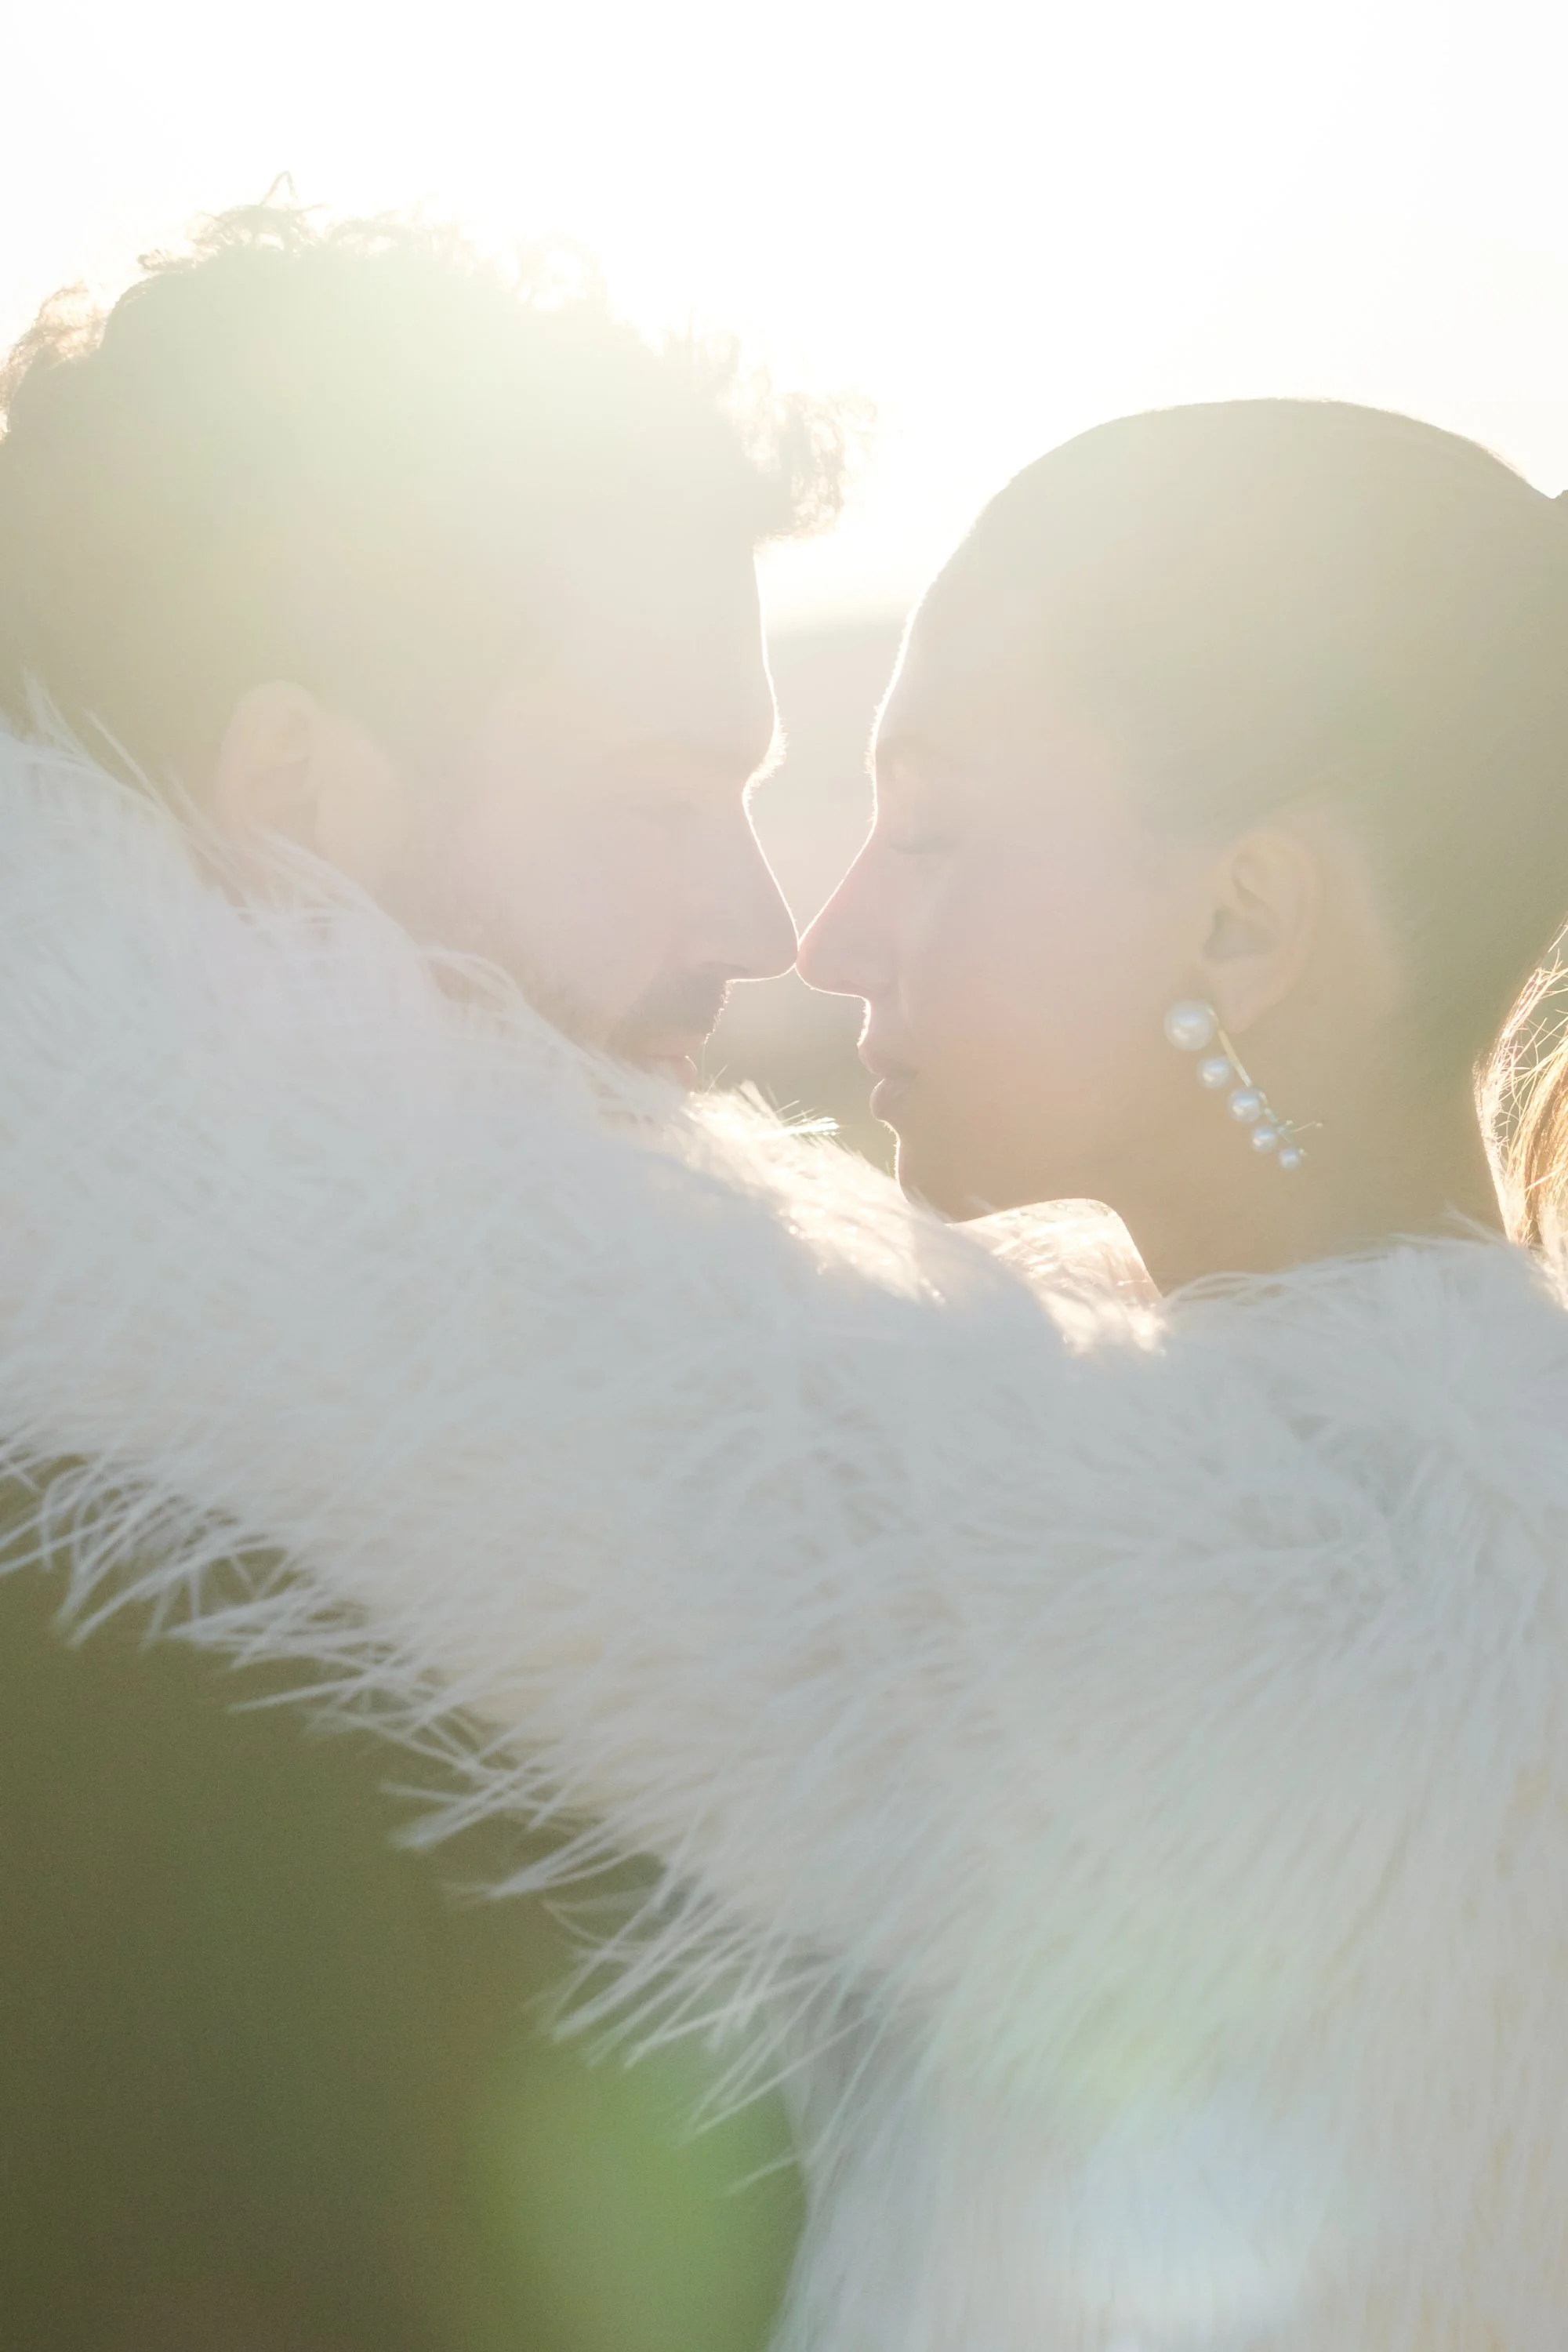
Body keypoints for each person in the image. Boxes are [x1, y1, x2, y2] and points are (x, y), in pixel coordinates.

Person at [3, 381, 1568, 2352]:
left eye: (932, 833)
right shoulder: (1453, 1490)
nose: (822, 935)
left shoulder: (1295, 1576)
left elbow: (332, 1245)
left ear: (1244, 921)